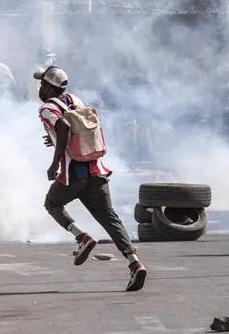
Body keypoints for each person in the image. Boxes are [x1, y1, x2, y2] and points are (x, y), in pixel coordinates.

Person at [34, 66, 147, 292]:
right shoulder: (75, 100)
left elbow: (64, 126)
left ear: (48, 86)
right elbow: (79, 128)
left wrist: (55, 162)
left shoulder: (46, 108)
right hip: (95, 170)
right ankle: (135, 263)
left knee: (52, 203)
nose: (39, 87)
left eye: (42, 83)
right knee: (110, 218)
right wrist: (55, 139)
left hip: (73, 174)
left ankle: (82, 237)